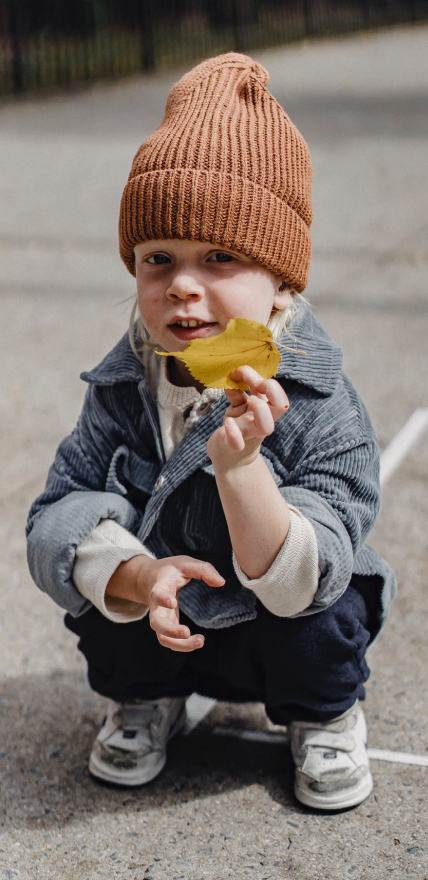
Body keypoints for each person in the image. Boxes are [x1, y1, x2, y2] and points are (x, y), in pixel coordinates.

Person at [26, 52, 396, 811]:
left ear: (283, 281)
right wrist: (137, 577)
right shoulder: (126, 385)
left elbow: (307, 575)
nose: (183, 284)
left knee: (330, 612)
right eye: (158, 258)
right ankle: (151, 697)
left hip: (280, 622)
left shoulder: (322, 403)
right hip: (172, 620)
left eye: (220, 258)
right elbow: (53, 517)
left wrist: (240, 470)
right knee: (104, 602)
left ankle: (324, 716)